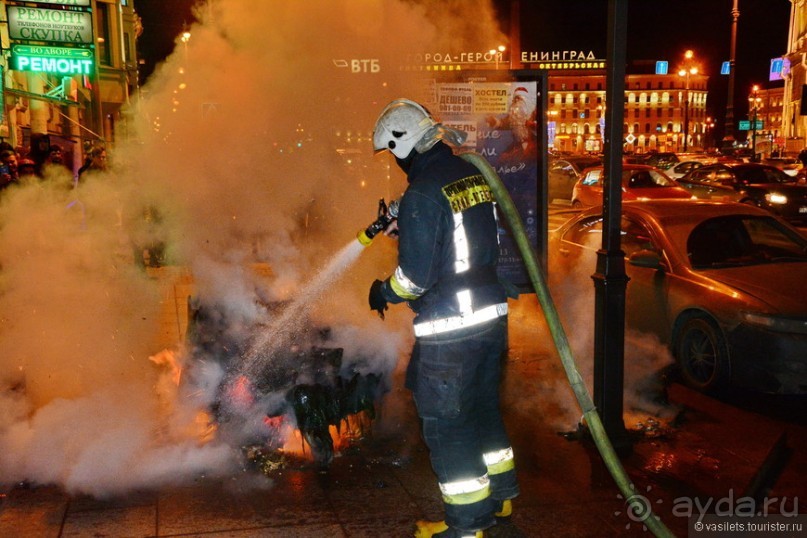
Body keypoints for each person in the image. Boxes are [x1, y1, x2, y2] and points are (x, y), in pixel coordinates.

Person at [368, 99, 518, 538]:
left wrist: (381, 290)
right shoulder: (467, 174)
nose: (394, 162)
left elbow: (414, 280)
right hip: (490, 316)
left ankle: (468, 526)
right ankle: (502, 496)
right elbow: (456, 240)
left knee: (447, 423)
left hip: (453, 328)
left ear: (404, 145)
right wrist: (408, 229)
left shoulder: (421, 193)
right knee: (482, 408)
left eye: (393, 153)